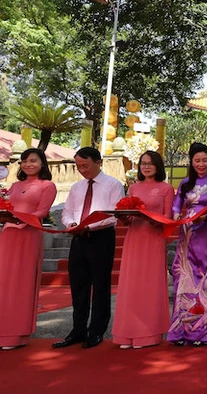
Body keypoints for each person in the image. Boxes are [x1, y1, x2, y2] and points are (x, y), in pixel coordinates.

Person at [53, 147, 124, 349]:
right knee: (78, 285)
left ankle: (96, 330)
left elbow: (113, 214)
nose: (82, 170)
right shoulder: (77, 187)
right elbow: (67, 211)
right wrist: (71, 224)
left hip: (101, 237)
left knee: (100, 285)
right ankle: (78, 330)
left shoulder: (113, 185)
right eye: (78, 166)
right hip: (78, 237)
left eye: (85, 165)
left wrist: (88, 226)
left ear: (98, 162)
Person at [112, 151, 174, 349]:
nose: (146, 167)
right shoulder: (134, 188)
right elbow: (129, 217)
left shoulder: (166, 189)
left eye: (150, 163)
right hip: (134, 238)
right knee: (131, 285)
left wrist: (151, 218)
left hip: (153, 239)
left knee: (150, 284)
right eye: (143, 163)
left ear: (158, 166)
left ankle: (148, 334)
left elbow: (168, 217)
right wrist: (123, 216)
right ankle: (126, 333)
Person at [168, 142, 207, 347]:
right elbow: (176, 206)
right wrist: (176, 216)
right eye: (197, 161)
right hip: (188, 234)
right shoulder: (185, 183)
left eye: (204, 160)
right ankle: (182, 329)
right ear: (191, 162)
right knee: (186, 278)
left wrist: (206, 216)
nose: (201, 164)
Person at [0, 149, 57, 350]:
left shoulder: (47, 186)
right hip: (8, 234)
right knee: (4, 282)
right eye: (24, 161)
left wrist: (22, 219)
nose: (28, 164)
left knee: (22, 282)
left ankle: (16, 335)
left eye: (33, 160)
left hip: (29, 233)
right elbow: (8, 207)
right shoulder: (15, 185)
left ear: (42, 163)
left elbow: (43, 211)